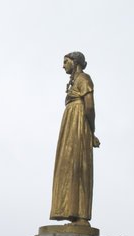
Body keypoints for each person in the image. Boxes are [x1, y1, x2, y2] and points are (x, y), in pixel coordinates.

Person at [50, 51, 100, 224]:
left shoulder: (84, 79)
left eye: (66, 61)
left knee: (78, 166)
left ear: (75, 62)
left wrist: (91, 132)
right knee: (68, 165)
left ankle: (81, 215)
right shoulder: (73, 82)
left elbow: (90, 107)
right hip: (71, 123)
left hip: (79, 122)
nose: (63, 65)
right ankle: (71, 211)